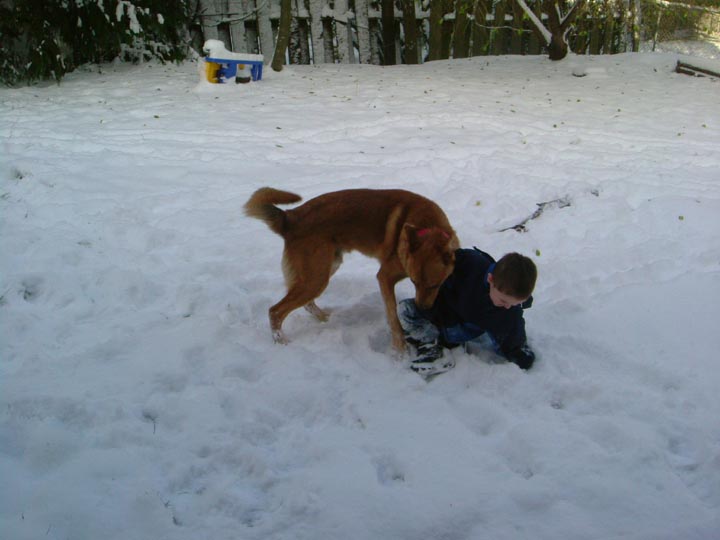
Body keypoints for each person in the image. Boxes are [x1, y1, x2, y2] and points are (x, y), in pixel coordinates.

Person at [398, 248, 537, 377]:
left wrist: (520, 355)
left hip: (460, 329)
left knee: (502, 322)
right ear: (490, 279)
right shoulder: (471, 263)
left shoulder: (508, 311)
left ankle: (438, 349)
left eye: (514, 303)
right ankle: (434, 339)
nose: (507, 306)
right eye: (503, 301)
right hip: (442, 308)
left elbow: (512, 336)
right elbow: (443, 258)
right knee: (405, 310)